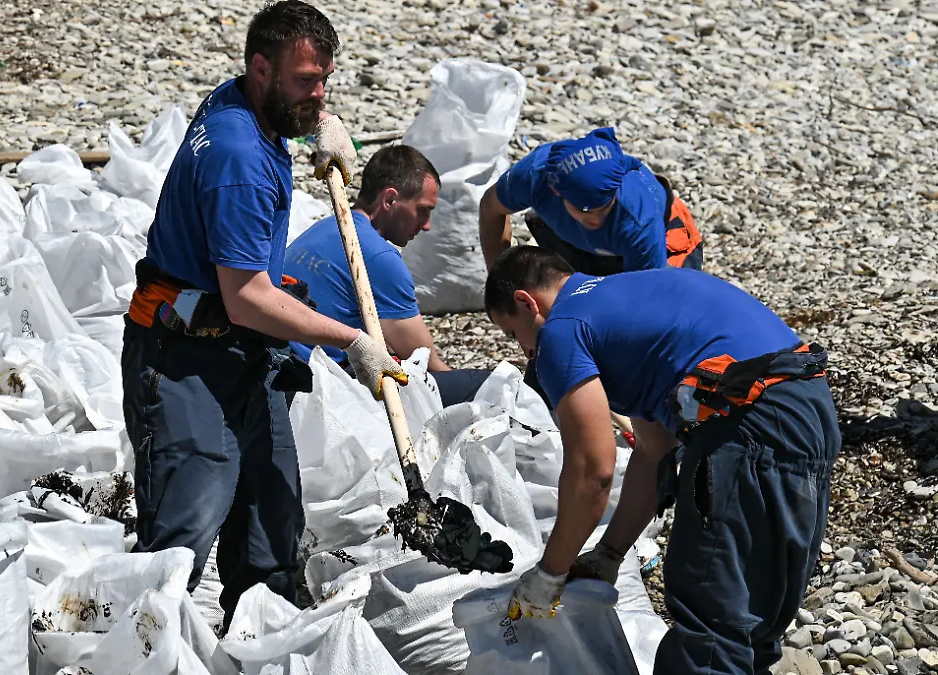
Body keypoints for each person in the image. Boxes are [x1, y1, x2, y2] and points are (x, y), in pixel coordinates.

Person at [120, 0, 408, 634]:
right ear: (260, 68)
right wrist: (352, 340)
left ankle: (263, 640)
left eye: (325, 80)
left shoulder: (243, 102)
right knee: (182, 535)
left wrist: (321, 127)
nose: (319, 92)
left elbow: (286, 110)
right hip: (184, 362)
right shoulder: (238, 161)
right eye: (307, 82)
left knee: (272, 524)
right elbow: (248, 293)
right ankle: (146, 644)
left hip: (244, 355)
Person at [483, 245, 840, 675]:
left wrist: (550, 572)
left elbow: (592, 471)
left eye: (514, 334)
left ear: (527, 302)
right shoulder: (624, 300)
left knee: (711, 619)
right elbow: (653, 451)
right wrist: (610, 553)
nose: (525, 351)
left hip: (748, 422)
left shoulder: (561, 330)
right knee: (752, 612)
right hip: (808, 411)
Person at [479, 126, 706, 399]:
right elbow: (491, 208)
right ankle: (545, 389)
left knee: (664, 345)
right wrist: (503, 287)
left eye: (603, 206)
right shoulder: (536, 176)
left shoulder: (638, 221)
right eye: (585, 210)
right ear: (557, 192)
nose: (595, 219)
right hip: (571, 237)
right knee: (558, 317)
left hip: (661, 245)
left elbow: (646, 313)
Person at [283, 144, 493, 407]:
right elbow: (426, 363)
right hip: (320, 389)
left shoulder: (324, 227)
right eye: (423, 210)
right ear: (390, 200)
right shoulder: (378, 257)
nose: (426, 225)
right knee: (480, 385)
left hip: (281, 370)